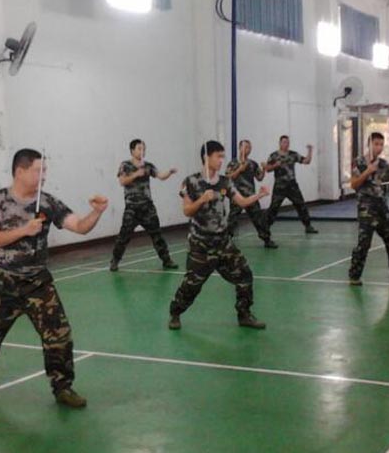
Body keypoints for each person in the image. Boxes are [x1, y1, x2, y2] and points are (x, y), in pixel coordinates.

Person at [0, 149, 108, 408]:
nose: (44, 176)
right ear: (20, 171)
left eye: (45, 170)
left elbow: (79, 227)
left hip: (37, 283)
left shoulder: (48, 202)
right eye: (39, 171)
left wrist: (96, 212)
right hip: (1, 283)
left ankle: (62, 387)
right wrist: (24, 230)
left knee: (59, 336)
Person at [168, 141, 270, 330]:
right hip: (201, 245)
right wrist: (202, 199)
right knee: (192, 285)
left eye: (223, 156)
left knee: (245, 274)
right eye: (218, 156)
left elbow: (241, 201)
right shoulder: (190, 182)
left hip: (223, 243)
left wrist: (259, 196)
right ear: (206, 157)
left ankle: (244, 314)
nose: (222, 160)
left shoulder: (225, 182)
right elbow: (187, 211)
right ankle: (175, 313)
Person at [347, 133, 389, 285]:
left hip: (381, 207)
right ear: (369, 144)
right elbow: (354, 184)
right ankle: (354, 275)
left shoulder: (383, 164)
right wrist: (367, 171)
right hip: (366, 208)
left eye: (381, 144)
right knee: (364, 243)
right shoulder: (358, 162)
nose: (379, 147)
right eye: (376, 144)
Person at [110, 139, 179, 271]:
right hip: (132, 208)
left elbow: (160, 176)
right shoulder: (125, 165)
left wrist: (169, 172)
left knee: (157, 235)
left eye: (144, 149)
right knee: (123, 236)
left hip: (147, 207)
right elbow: (122, 181)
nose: (142, 151)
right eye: (139, 149)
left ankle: (166, 260)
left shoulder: (148, 166)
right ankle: (115, 261)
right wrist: (136, 174)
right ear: (132, 151)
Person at [226, 139, 277, 248]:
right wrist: (239, 169)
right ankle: (225, 241)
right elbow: (228, 178)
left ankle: (267, 239)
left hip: (251, 197)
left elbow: (259, 178)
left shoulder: (253, 164)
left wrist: (264, 169)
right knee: (232, 220)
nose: (247, 149)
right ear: (239, 148)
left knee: (259, 219)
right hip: (237, 197)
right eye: (244, 147)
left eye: (249, 147)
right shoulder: (233, 163)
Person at [264, 136, 318, 234]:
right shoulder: (274, 155)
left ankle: (308, 226)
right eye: (284, 142)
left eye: (288, 142)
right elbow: (267, 169)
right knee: (274, 207)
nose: (286, 144)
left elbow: (306, 161)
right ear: (280, 143)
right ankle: (265, 227)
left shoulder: (293, 154)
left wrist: (310, 151)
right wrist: (275, 165)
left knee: (301, 205)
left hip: (292, 186)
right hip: (279, 186)